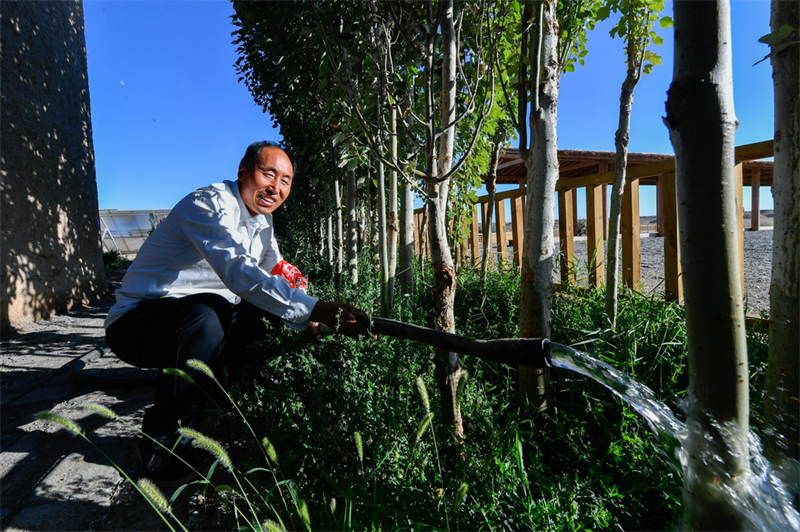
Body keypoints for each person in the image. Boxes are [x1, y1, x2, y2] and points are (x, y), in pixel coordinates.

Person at [104, 140, 371, 486]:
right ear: (243, 172)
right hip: (137, 324)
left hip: (189, 321)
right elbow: (239, 272)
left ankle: (227, 401)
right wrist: (316, 308)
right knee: (208, 314)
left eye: (286, 180)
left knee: (265, 312)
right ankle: (163, 440)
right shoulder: (208, 205)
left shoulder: (262, 221)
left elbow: (273, 270)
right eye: (268, 174)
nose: (276, 187)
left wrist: (311, 310)